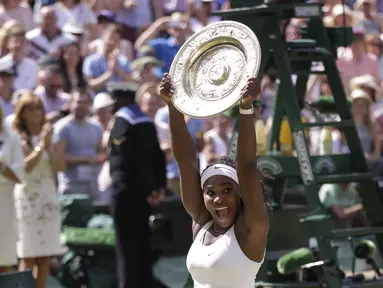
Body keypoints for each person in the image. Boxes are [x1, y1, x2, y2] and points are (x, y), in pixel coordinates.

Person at [159, 73, 271, 287]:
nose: (218, 198)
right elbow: (185, 161)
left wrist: (246, 109)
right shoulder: (202, 221)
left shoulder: (251, 227)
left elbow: (247, 166)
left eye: (227, 190)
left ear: (240, 193)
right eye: (210, 192)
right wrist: (172, 106)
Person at [108, 81, 167, 288]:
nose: (111, 105)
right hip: (145, 197)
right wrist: (157, 188)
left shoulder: (123, 122)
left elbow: (131, 160)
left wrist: (149, 188)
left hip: (127, 196)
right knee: (142, 246)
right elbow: (158, 158)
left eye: (113, 100)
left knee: (127, 250)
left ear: (120, 100)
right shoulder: (145, 121)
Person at [13, 92, 66, 288]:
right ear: (22, 113)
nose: (36, 113)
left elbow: (59, 167)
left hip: (48, 197)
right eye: (30, 108)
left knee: (45, 257)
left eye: (38, 108)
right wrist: (42, 147)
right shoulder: (17, 138)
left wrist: (56, 148)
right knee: (28, 255)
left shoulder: (52, 135)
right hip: (27, 198)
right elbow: (26, 167)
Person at [0, 97, 23, 273]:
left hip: (4, 202)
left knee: (3, 259)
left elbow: (19, 175)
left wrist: (2, 167)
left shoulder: (11, 137)